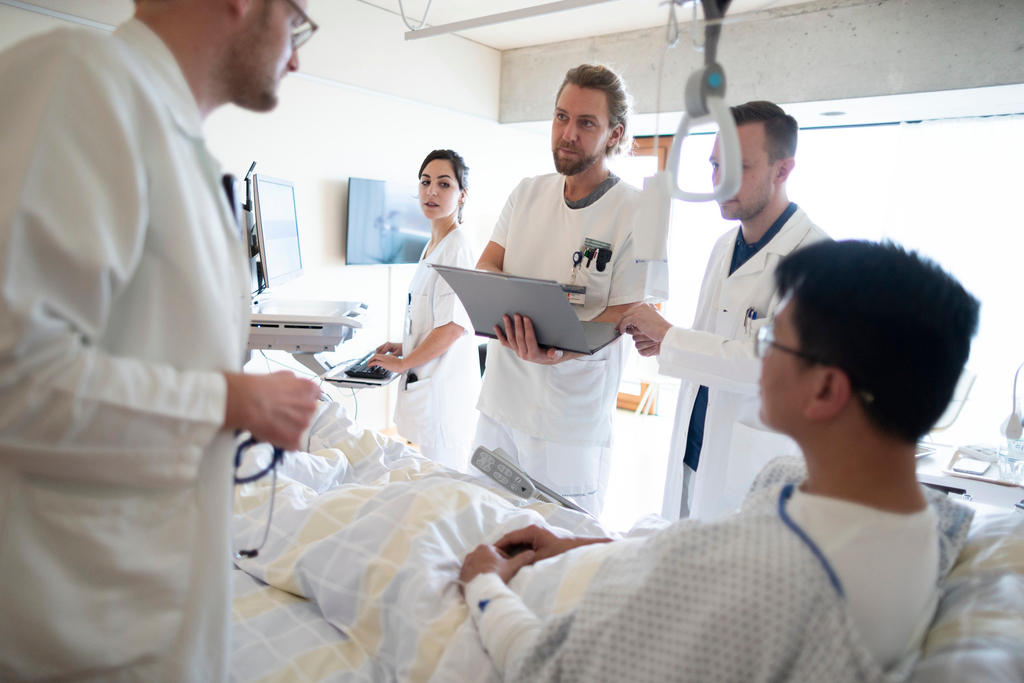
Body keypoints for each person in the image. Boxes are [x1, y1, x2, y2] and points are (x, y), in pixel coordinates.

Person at [461, 239, 980, 682]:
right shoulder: (902, 514)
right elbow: (695, 551)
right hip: (608, 560)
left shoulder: (763, 582)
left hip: (527, 605)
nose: (758, 354)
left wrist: (483, 582)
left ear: (826, 388)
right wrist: (586, 544)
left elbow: (549, 669)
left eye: (772, 341)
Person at [0, 0, 321, 679]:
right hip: (77, 634)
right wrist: (232, 401)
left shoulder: (183, 151)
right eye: (296, 23)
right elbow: (13, 376)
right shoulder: (80, 80)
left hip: (155, 618)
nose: (295, 56)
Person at [617, 101, 829, 521]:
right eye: (715, 165)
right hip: (695, 452)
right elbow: (714, 344)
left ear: (783, 170)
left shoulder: (819, 261)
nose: (719, 181)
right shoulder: (723, 248)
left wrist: (670, 336)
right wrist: (664, 343)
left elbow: (772, 367)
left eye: (739, 167)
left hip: (751, 473)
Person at [474, 64, 649, 515]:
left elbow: (628, 313)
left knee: (558, 550)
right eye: (561, 117)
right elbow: (488, 264)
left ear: (615, 134)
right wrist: (504, 306)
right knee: (480, 524)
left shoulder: (636, 211)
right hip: (501, 403)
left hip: (567, 420)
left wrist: (554, 348)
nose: (567, 133)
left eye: (586, 122)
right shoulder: (527, 193)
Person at [370, 149, 481, 471]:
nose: (431, 191)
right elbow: (430, 318)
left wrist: (404, 361)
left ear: (462, 196)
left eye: (444, 184)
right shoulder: (433, 243)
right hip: (432, 386)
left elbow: (452, 328)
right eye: (425, 182)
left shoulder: (457, 247)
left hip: (445, 394)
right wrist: (404, 344)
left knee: (444, 487)